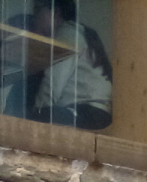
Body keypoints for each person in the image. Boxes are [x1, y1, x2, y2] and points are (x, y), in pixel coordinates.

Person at [27, 0, 113, 130]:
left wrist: (39, 114)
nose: (35, 19)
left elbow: (53, 82)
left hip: (83, 113)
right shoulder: (82, 33)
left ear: (55, 12)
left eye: (37, 11)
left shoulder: (67, 34)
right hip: (98, 114)